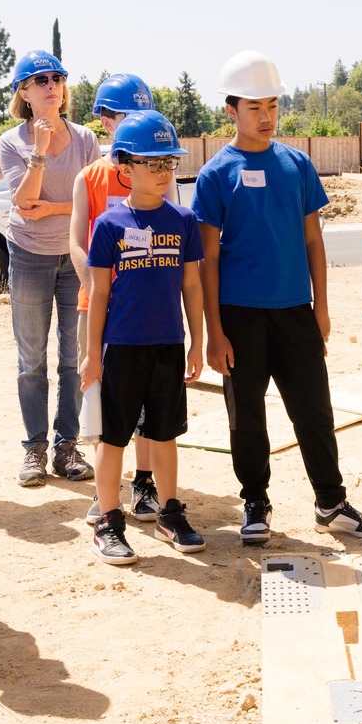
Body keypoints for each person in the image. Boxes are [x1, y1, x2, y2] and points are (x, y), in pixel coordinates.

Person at [196, 49, 362, 546]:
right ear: (230, 110)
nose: (266, 117)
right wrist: (214, 330)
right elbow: (208, 259)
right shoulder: (216, 175)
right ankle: (255, 503)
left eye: (273, 106)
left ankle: (331, 503)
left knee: (314, 411)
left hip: (295, 311)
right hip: (239, 317)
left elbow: (312, 240)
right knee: (248, 416)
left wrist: (320, 309)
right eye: (255, 107)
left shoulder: (297, 165)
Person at [81, 111, 206, 563]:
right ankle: (109, 521)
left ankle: (170, 513)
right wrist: (91, 356)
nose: (162, 172)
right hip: (122, 348)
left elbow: (192, 285)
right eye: (151, 164)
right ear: (124, 168)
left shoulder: (183, 220)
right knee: (113, 438)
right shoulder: (109, 225)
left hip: (168, 346)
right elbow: (98, 293)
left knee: (165, 433)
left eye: (168, 163)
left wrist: (198, 341)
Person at [0, 51, 99, 486]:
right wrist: (38, 150)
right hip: (28, 256)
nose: (50, 85)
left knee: (74, 359)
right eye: (39, 80)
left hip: (76, 258)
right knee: (30, 359)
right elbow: (23, 203)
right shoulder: (11, 142)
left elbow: (91, 202)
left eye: (55, 77)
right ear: (23, 91)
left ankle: (67, 448)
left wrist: (54, 209)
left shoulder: (85, 139)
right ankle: (35, 450)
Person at [69, 73, 163, 524]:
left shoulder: (159, 172)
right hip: (99, 303)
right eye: (119, 115)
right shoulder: (89, 177)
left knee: (148, 399)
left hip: (147, 307)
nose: (127, 123)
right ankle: (105, 490)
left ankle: (145, 483)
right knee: (98, 395)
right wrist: (95, 285)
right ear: (105, 120)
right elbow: (76, 240)